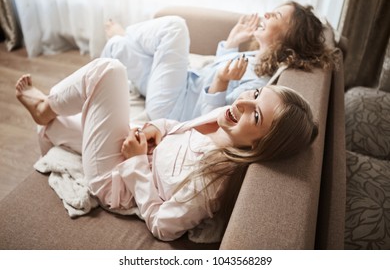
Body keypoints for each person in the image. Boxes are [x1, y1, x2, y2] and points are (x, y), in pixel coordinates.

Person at [16, 58, 318, 241]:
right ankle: (48, 117)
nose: (241, 103)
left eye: (256, 114)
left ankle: (45, 105)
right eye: (256, 93)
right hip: (135, 145)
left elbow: (163, 226)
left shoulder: (210, 183)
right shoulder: (226, 121)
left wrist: (136, 163)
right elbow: (177, 126)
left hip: (116, 179)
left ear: (259, 145)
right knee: (50, 128)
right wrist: (155, 129)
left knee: (109, 71)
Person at [101, 0, 334, 122]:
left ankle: (124, 33)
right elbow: (216, 71)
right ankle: (121, 40)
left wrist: (222, 81)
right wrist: (232, 42)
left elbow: (215, 116)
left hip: (174, 109)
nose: (265, 15)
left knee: (175, 27)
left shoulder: (258, 85)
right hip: (177, 86)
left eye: (276, 16)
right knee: (119, 49)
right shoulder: (255, 58)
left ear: (289, 37)